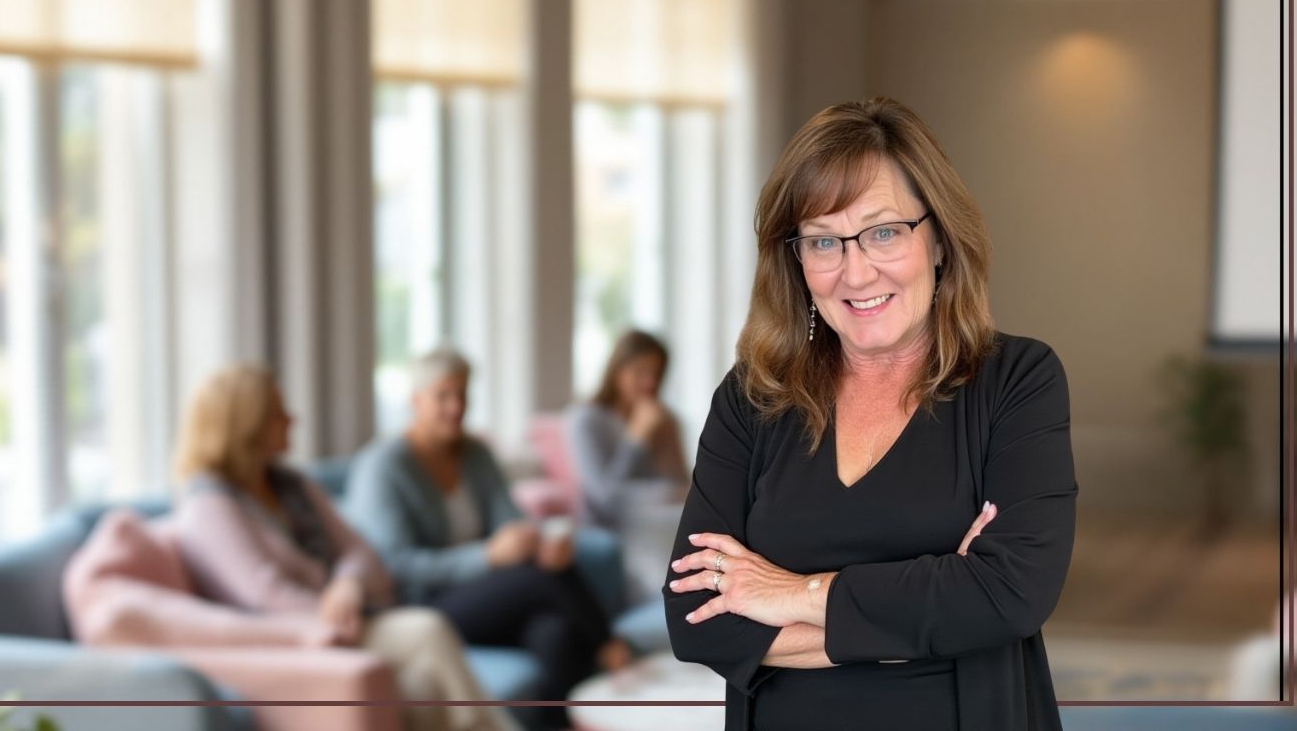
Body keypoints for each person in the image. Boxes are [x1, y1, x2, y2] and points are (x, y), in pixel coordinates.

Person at [663, 98, 1077, 731]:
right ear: (796, 262)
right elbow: (694, 622)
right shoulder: (753, 397)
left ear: (938, 238)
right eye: (824, 241)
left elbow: (1009, 596)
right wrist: (933, 608)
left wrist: (789, 595)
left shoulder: (1017, 382)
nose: (856, 272)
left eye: (884, 232)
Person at [170, 364, 514, 731]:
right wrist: (336, 611)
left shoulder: (290, 484)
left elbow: (360, 551)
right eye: (278, 413)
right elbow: (265, 597)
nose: (293, 420)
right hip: (302, 638)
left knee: (424, 688)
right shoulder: (209, 504)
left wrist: (348, 584)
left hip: (348, 617)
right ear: (246, 424)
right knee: (427, 629)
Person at [343, 348, 628, 731]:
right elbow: (397, 565)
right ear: (415, 401)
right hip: (424, 604)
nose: (455, 407)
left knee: (555, 631)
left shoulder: (475, 453)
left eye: (462, 395)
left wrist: (539, 541)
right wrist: (488, 556)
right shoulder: (383, 466)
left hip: (490, 595)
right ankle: (611, 646)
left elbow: (509, 519)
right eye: (442, 396)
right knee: (534, 577)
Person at [565, 329, 690, 532]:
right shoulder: (586, 419)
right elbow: (605, 501)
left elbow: (680, 489)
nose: (650, 383)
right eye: (640, 372)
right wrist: (637, 439)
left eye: (657, 374)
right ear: (617, 370)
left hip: (657, 524)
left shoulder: (664, 419)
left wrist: (667, 441)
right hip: (606, 530)